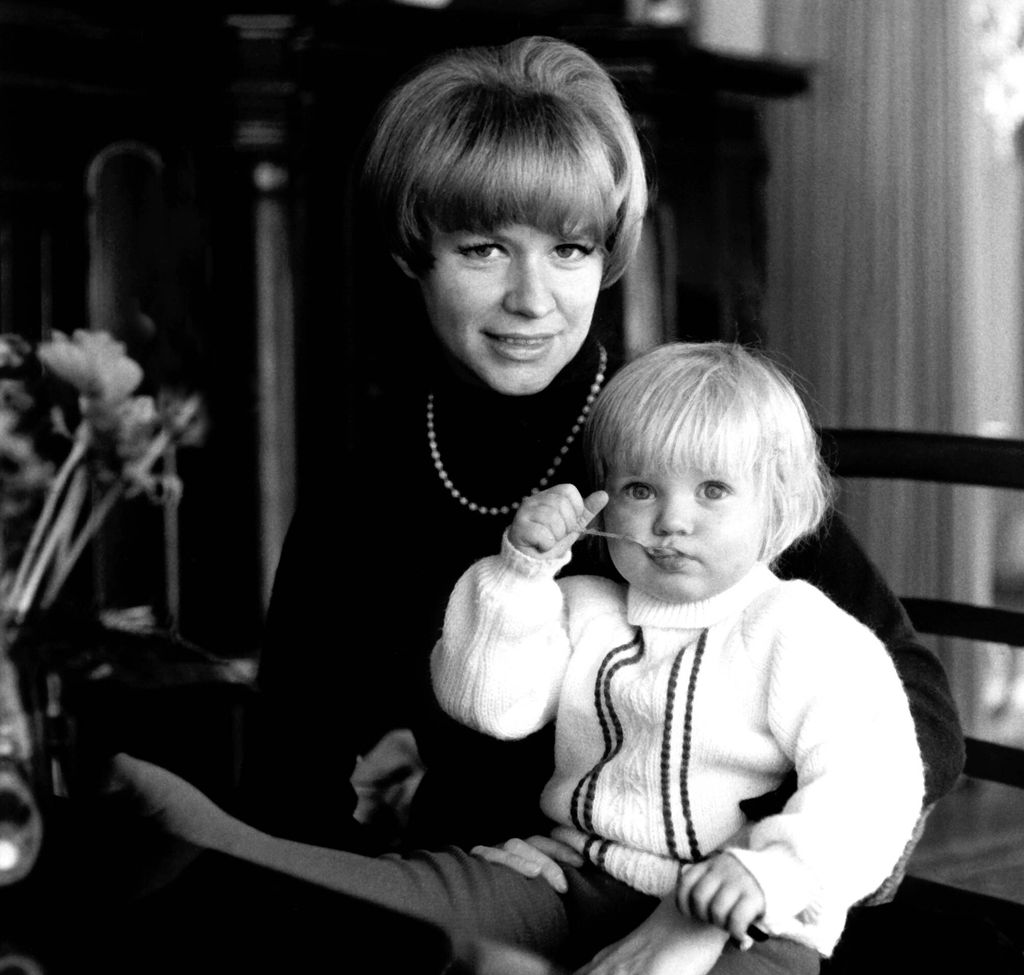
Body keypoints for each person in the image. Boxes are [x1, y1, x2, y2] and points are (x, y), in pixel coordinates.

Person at [238, 34, 961, 862]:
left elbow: (919, 713)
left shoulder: (687, 445)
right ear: (416, 253)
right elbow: (288, 786)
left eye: (569, 249)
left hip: (713, 900)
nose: (530, 299)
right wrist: (415, 890)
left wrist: (736, 862)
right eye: (483, 249)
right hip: (484, 896)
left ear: (606, 256)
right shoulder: (362, 496)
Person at [110, 341, 926, 975]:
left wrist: (769, 873)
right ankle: (238, 850)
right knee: (405, 898)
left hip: (749, 920)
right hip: (570, 873)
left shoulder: (805, 632)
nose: (671, 521)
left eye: (712, 492)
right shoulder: (583, 605)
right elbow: (488, 705)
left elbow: (876, 783)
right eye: (642, 489)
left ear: (776, 505)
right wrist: (521, 571)